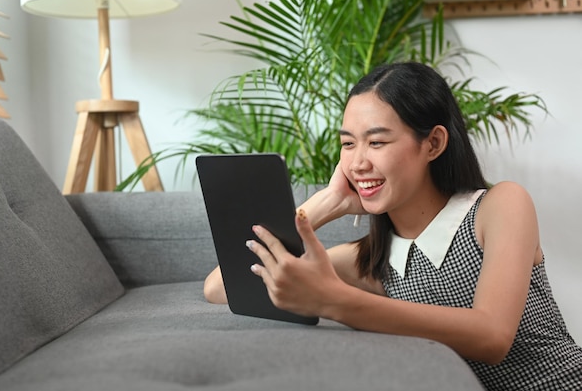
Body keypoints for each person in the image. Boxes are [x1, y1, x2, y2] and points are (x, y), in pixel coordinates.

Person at [203, 61, 582, 390]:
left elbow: (492, 336)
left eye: (377, 142)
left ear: (433, 144)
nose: (357, 162)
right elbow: (222, 286)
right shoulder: (372, 261)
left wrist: (334, 300)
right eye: (348, 144)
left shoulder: (501, 206)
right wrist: (325, 203)